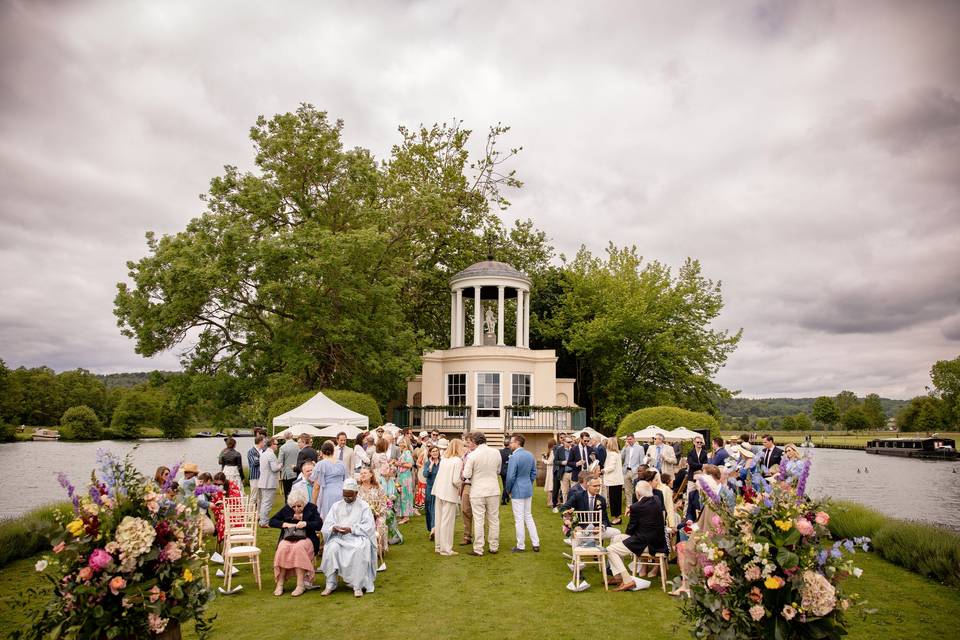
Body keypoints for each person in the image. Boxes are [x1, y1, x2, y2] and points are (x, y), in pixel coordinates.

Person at [320, 479, 378, 597]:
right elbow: (327, 525)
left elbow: (369, 527)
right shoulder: (336, 506)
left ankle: (357, 586)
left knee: (359, 549)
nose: (346, 498)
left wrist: (351, 529)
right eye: (344, 495)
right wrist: (333, 528)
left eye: (350, 496)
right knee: (331, 548)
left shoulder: (364, 506)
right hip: (339, 537)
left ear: (356, 493)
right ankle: (330, 584)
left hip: (358, 537)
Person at [606, 481, 668, 591]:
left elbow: (630, 530)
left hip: (645, 543)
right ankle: (618, 577)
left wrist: (632, 509)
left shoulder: (636, 507)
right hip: (658, 542)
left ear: (638, 493)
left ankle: (628, 580)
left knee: (610, 549)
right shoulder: (657, 500)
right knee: (616, 538)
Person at [269, 488, 322, 597]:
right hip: (289, 537)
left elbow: (319, 524)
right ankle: (280, 583)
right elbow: (272, 521)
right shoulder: (287, 509)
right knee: (283, 547)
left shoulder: (311, 508)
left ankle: (300, 584)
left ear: (304, 503)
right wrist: (285, 524)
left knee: (299, 548)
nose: (296, 509)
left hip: (308, 538)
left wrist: (306, 523)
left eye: (299, 506)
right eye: (294, 506)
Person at [463, 432, 502, 556]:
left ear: (474, 442)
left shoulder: (472, 455)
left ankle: (479, 548)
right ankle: (494, 546)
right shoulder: (496, 452)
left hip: (478, 491)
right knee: (494, 519)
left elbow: (466, 475)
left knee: (479, 520)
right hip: (493, 489)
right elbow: (498, 470)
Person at [504, 434, 540, 553]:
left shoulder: (514, 456)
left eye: (512, 442)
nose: (510, 444)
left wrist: (508, 490)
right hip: (527, 488)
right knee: (528, 516)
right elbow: (534, 473)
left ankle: (521, 545)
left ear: (517, 443)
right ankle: (536, 543)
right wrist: (528, 483)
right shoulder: (530, 455)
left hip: (517, 489)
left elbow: (510, 477)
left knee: (519, 518)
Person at [560, 475, 620, 541]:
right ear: (588, 486)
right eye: (595, 486)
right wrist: (570, 521)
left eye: (599, 485)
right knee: (577, 535)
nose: (598, 488)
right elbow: (564, 508)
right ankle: (577, 548)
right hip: (581, 529)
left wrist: (601, 527)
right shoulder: (578, 496)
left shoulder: (601, 499)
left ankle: (610, 550)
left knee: (617, 532)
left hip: (596, 530)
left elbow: (604, 518)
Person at [432, 438, 464, 556]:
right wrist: (462, 483)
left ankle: (439, 546)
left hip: (439, 491)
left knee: (439, 520)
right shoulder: (457, 461)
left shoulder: (445, 459)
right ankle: (446, 549)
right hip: (449, 492)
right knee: (447, 522)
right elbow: (456, 480)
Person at [357, 467, 390, 569]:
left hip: (377, 514)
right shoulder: (357, 489)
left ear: (371, 475)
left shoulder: (378, 488)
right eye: (361, 473)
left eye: (365, 473)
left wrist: (378, 513)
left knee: (380, 523)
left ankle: (379, 549)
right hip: (361, 517)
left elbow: (384, 503)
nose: (362, 475)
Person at [312, 440, 347, 520]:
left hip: (328, 493)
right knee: (341, 518)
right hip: (342, 492)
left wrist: (313, 504)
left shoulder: (320, 464)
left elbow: (316, 487)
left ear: (322, 452)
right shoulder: (342, 464)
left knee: (329, 519)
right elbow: (346, 480)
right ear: (333, 451)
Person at [211, 471, 241, 544]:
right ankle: (224, 539)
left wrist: (225, 502)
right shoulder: (214, 489)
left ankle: (224, 540)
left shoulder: (232, 486)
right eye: (215, 484)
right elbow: (213, 503)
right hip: (221, 511)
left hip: (234, 512)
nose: (217, 485)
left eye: (219, 484)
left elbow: (236, 501)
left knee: (224, 518)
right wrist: (214, 496)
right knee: (222, 517)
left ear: (224, 482)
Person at [258, 437, 281, 527]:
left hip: (263, 481)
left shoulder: (263, 454)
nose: (277, 446)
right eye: (276, 444)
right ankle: (264, 522)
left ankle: (263, 520)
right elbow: (274, 468)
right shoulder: (271, 455)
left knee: (264, 502)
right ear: (271, 445)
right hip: (269, 482)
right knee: (267, 503)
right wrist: (280, 465)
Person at [602, 436, 625, 524]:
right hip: (617, 480)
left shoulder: (612, 454)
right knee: (616, 499)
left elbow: (611, 467)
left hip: (613, 480)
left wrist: (603, 470)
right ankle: (617, 517)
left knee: (614, 500)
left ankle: (617, 518)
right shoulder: (617, 453)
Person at [395, 438, 416, 523]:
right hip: (401, 476)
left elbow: (410, 465)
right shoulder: (403, 453)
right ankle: (403, 515)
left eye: (401, 443)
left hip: (406, 477)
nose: (399, 444)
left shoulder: (407, 452)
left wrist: (398, 464)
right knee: (400, 494)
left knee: (405, 495)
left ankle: (406, 516)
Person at [459, 436, 475, 547]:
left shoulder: (478, 454)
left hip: (477, 484)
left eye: (468, 442)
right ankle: (467, 536)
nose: (466, 445)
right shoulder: (465, 455)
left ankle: (480, 536)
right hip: (466, 484)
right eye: (465, 443)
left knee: (478, 512)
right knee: (465, 510)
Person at [621, 434, 645, 507]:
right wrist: (624, 447)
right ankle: (629, 505)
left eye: (630, 439)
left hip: (635, 471)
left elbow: (642, 461)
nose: (629, 441)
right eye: (627, 439)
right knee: (627, 489)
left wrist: (640, 471)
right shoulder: (626, 448)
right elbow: (621, 457)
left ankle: (637, 503)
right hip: (626, 471)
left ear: (634, 439)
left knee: (636, 489)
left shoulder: (640, 448)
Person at [423, 445, 441, 539]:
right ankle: (431, 528)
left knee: (436, 509)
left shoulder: (442, 462)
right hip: (430, 488)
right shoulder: (427, 463)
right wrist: (430, 465)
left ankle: (434, 529)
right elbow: (425, 474)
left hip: (440, 489)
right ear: (430, 453)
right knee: (429, 509)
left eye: (436, 451)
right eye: (433, 451)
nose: (435, 452)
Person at [552, 435, 574, 510]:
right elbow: (555, 461)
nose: (570, 443)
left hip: (573, 473)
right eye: (568, 442)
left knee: (574, 491)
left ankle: (573, 507)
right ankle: (565, 508)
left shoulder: (574, 449)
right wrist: (562, 462)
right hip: (563, 473)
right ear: (564, 442)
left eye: (571, 442)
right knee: (565, 492)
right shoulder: (559, 450)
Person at [277, 431, 299, 497]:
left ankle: (288, 506)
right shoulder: (298, 445)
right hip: (297, 472)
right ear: (292, 436)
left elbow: (280, 461)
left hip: (287, 474)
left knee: (287, 494)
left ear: (284, 438)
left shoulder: (283, 448)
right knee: (297, 494)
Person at [247, 435, 265, 509]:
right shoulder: (251, 451)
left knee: (261, 497)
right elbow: (254, 462)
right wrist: (264, 459)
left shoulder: (263, 451)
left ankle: (259, 515)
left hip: (263, 477)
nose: (264, 444)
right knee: (253, 497)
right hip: (255, 476)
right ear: (260, 442)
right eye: (263, 442)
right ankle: (250, 515)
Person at [542, 439, 556, 508]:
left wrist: (543, 459)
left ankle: (550, 502)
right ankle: (550, 501)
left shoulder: (553, 452)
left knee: (551, 486)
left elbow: (550, 462)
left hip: (551, 470)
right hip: (550, 470)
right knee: (551, 486)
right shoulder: (552, 451)